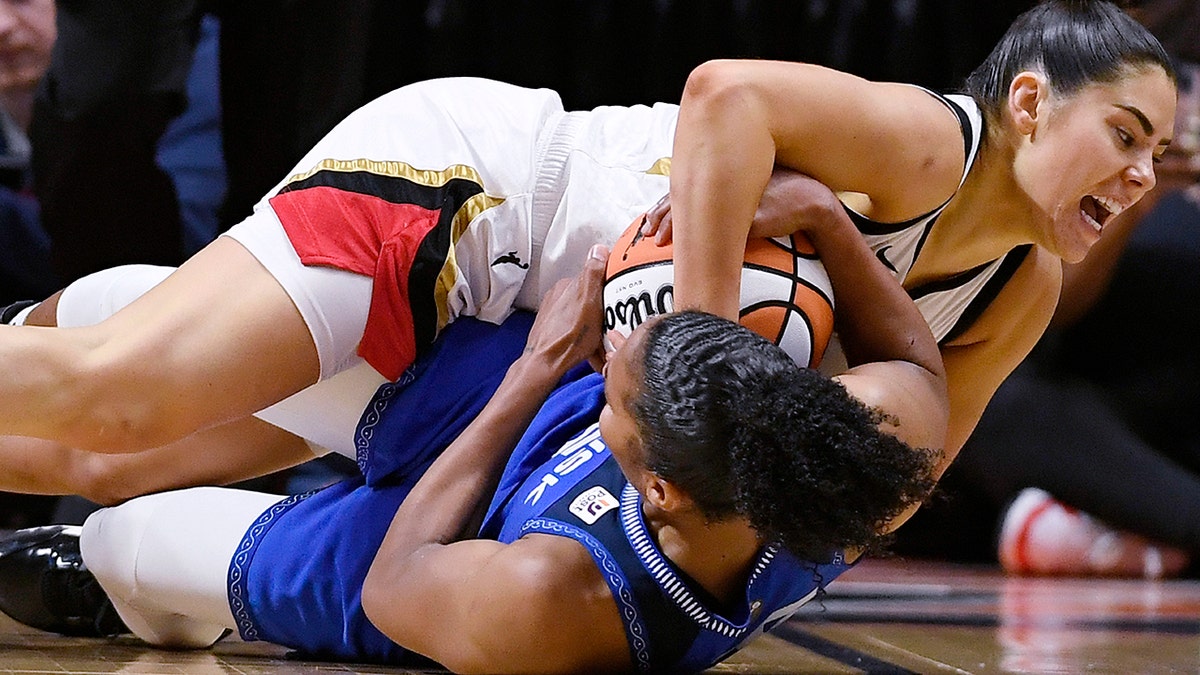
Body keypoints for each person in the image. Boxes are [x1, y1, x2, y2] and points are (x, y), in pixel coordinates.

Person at [0, 1, 1177, 505]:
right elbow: (722, 93)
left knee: (112, 468)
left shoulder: (1020, 287)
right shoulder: (928, 146)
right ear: (1028, 101)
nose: (1137, 176)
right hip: (485, 192)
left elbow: (906, 481)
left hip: (509, 330)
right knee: (119, 401)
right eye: (1121, 135)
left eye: (1158, 156)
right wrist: (698, 359)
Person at [0, 177, 948, 671]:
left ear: (655, 487)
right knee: (124, 306)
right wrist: (823, 216)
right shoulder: (845, 453)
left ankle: (120, 589)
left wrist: (540, 367)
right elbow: (914, 366)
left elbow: (392, 583)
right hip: (506, 405)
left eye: (621, 389)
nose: (612, 354)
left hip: (426, 554)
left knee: (128, 544)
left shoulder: (557, 604)